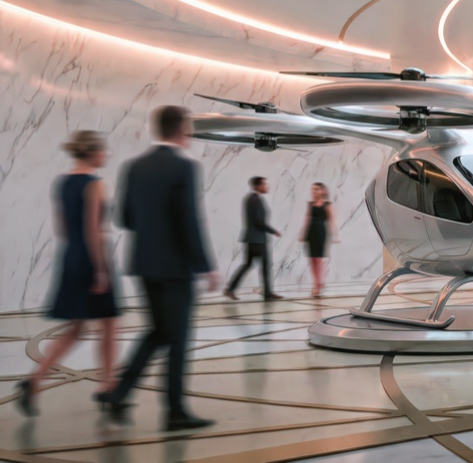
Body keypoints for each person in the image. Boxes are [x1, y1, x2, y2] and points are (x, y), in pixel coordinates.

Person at [99, 105, 219, 431]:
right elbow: (189, 220)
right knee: (176, 339)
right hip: (175, 267)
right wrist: (206, 265)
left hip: (144, 265)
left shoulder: (134, 166)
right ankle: (175, 411)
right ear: (181, 130)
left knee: (158, 332)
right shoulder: (184, 167)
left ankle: (119, 393)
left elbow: (124, 217)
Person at [14, 131, 120, 417]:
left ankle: (33, 381)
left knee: (76, 329)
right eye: (103, 151)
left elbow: (63, 227)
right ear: (94, 153)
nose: (105, 156)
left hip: (71, 257)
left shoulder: (62, 183)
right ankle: (108, 388)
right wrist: (100, 270)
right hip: (92, 260)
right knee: (109, 326)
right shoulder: (95, 185)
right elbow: (93, 231)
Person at [224, 176, 282, 301]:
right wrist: (274, 231)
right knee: (264, 266)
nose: (266, 187)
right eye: (264, 184)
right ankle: (267, 293)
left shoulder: (250, 198)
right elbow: (259, 222)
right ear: (258, 186)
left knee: (247, 265)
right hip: (258, 239)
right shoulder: (255, 200)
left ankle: (230, 289)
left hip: (251, 239)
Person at [302, 182, 335, 297]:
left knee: (319, 259)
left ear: (322, 191)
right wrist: (303, 234)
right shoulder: (310, 204)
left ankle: (319, 284)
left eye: (316, 189)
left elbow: (331, 220)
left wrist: (335, 235)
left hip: (321, 232)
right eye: (313, 189)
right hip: (310, 233)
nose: (314, 192)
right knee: (312, 259)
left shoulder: (327, 205)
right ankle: (316, 283)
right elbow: (307, 219)